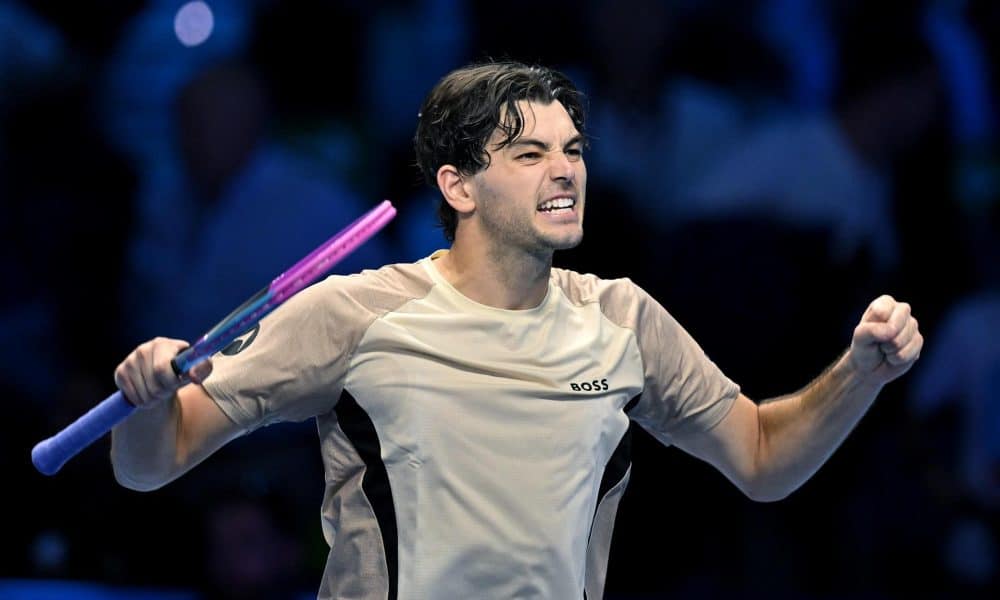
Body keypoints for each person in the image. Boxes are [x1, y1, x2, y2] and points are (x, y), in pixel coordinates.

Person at [109, 60, 924, 599]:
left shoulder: (623, 318)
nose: (566, 169)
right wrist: (148, 399)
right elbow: (154, 465)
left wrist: (859, 374)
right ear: (457, 185)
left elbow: (761, 459)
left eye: (572, 149)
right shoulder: (354, 312)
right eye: (529, 153)